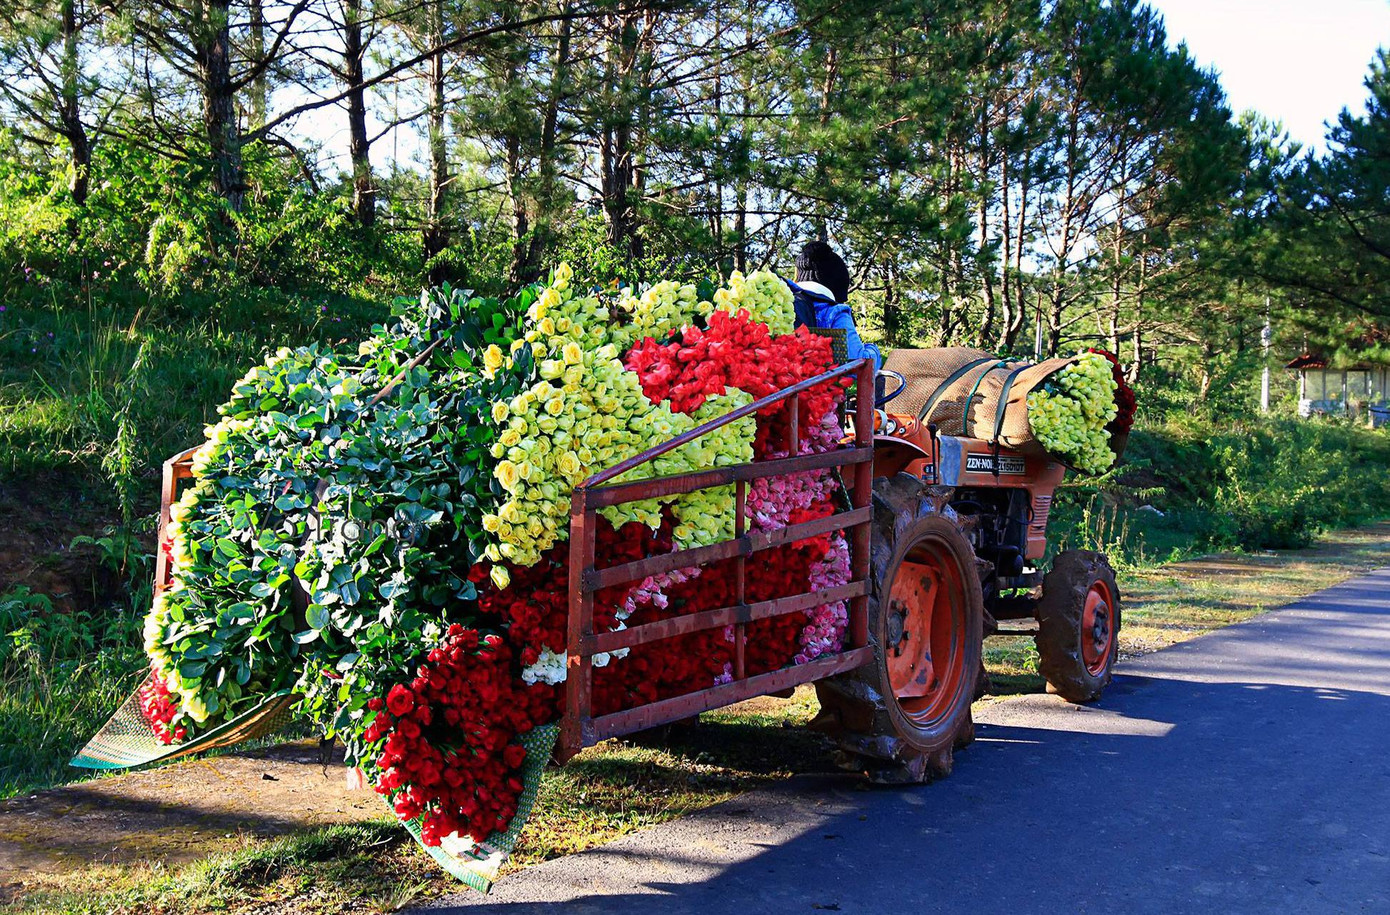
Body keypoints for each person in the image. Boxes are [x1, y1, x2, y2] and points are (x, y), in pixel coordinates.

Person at [788, 241, 883, 370]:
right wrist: (872, 349)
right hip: (816, 387)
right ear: (837, 286)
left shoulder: (781, 305)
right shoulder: (834, 312)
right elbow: (857, 364)